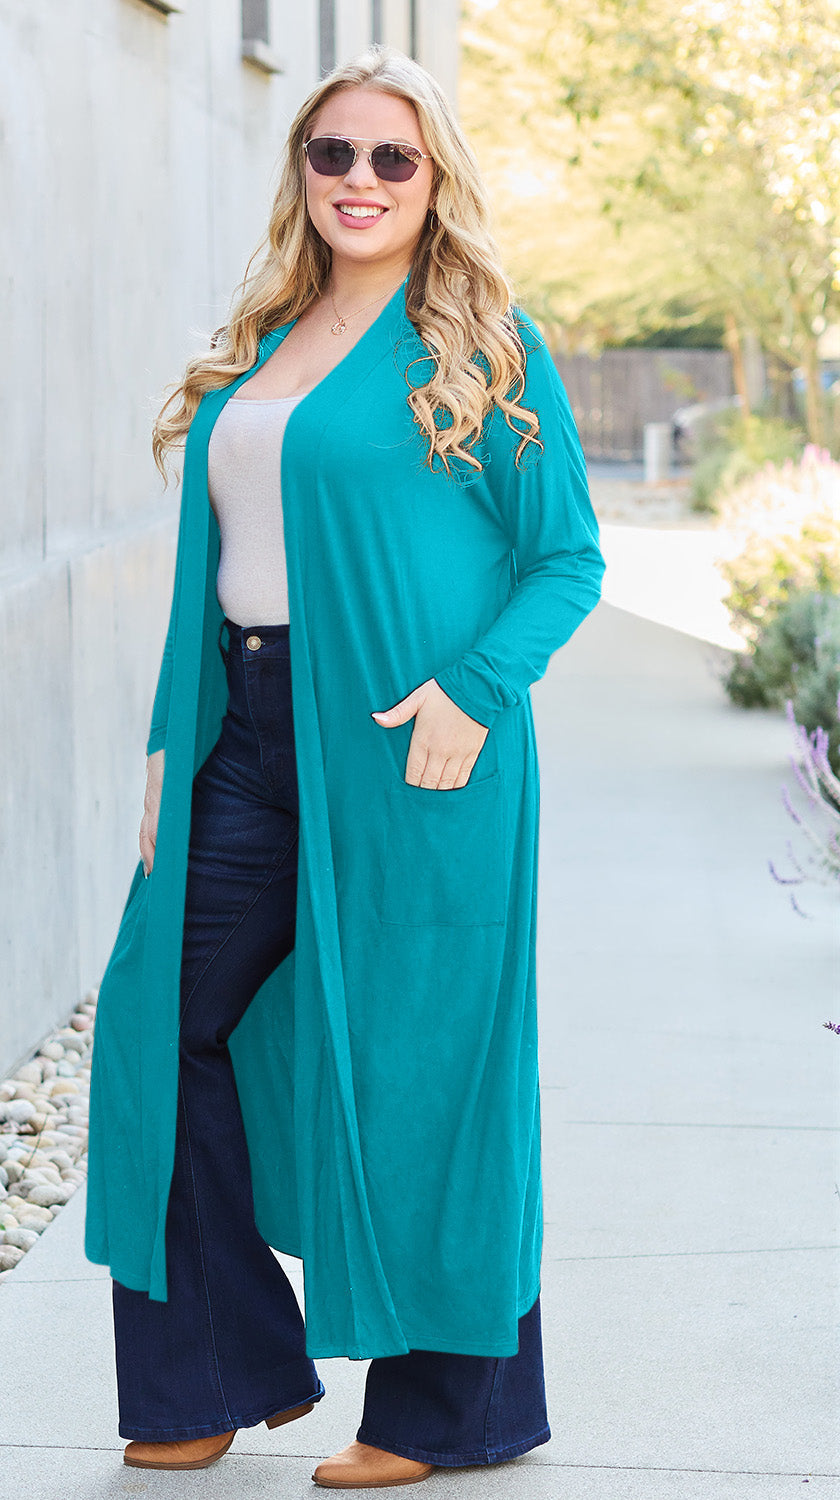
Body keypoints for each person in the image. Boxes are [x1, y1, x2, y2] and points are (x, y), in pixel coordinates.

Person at [84, 43, 606, 1490]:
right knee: (156, 1021)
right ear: (300, 174)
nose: (361, 181)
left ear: (437, 180)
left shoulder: (485, 343)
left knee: (430, 1061)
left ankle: (450, 1413)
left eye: (394, 157)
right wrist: (165, 747)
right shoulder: (263, 338)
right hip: (243, 736)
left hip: (416, 747)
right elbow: (219, 566)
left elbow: (567, 556)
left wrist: (477, 690)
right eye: (335, 155)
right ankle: (216, 1363)